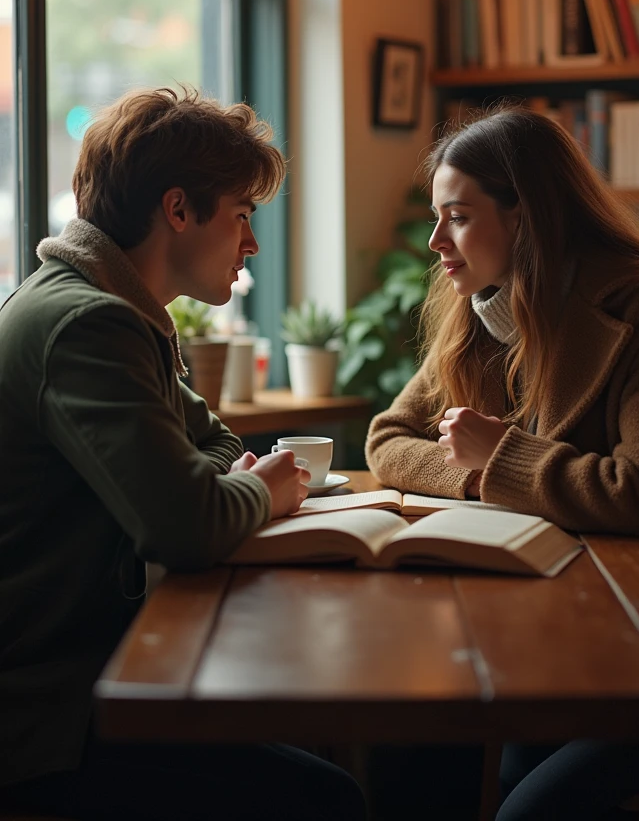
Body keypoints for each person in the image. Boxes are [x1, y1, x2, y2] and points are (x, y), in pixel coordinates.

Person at [0, 86, 366, 821]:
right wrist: (263, 493)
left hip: (95, 677)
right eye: (242, 216)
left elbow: (219, 444)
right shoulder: (88, 326)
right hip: (46, 721)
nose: (251, 243)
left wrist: (221, 483)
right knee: (327, 798)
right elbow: (189, 526)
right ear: (177, 210)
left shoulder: (118, 309)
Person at [365, 106, 639, 819]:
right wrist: (481, 474)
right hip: (545, 623)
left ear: (526, 218)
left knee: (524, 805)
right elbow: (388, 438)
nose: (436, 239)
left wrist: (505, 457)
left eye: (459, 217)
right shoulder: (480, 306)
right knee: (416, 750)